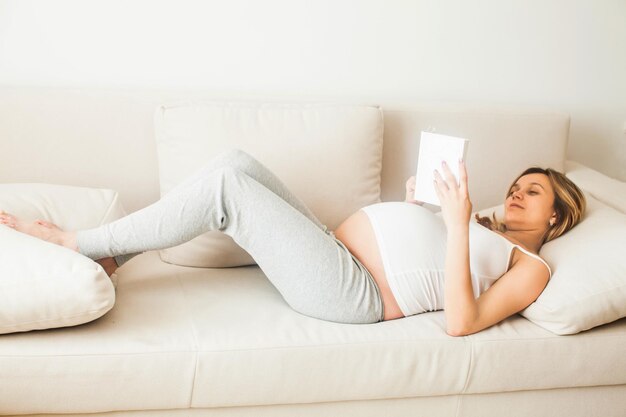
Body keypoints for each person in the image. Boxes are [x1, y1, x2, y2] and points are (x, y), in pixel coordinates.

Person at [0, 149, 586, 335]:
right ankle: (111, 255)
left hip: (352, 292)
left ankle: (78, 242)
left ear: (556, 219)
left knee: (227, 188)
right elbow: (426, 255)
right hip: (333, 248)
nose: (515, 194)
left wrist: (455, 224)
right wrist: (418, 212)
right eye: (515, 185)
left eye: (532, 193)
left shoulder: (530, 265)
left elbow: (462, 320)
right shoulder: (477, 223)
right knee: (235, 162)